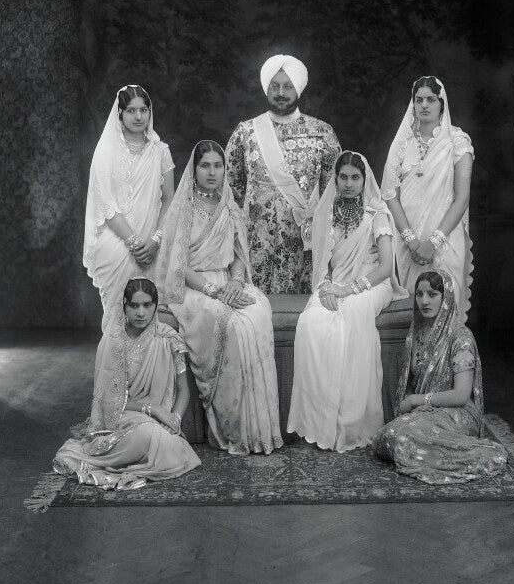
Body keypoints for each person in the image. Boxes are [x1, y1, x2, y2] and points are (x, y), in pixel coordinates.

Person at [156, 140, 283, 456]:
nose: (212, 172)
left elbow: (238, 253)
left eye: (218, 165)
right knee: (231, 323)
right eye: (205, 165)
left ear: (225, 169)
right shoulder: (183, 210)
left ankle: (260, 429)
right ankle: (233, 428)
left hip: (229, 282)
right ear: (194, 170)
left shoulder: (229, 205)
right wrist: (214, 291)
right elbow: (179, 266)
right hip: (193, 289)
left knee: (258, 312)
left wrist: (236, 282)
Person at [286, 151, 408, 453]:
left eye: (355, 177)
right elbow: (324, 265)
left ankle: (349, 422)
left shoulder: (377, 213)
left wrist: (348, 290)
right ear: (336, 179)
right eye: (344, 177)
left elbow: (385, 267)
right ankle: (318, 422)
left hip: (373, 284)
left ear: (364, 180)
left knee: (348, 316)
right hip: (336, 282)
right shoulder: (328, 213)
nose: (349, 183)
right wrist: (327, 287)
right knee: (310, 322)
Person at [53, 278, 201, 490]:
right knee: (150, 436)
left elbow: (183, 390)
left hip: (160, 420)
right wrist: (152, 409)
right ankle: (96, 461)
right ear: (124, 306)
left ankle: (124, 457)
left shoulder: (170, 339)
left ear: (155, 306)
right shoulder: (113, 341)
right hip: (122, 416)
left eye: (147, 305)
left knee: (171, 445)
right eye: (134, 305)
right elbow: (109, 402)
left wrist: (174, 420)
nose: (141, 313)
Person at [372, 270, 507, 484]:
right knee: (383, 438)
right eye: (419, 294)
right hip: (426, 411)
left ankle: (484, 453)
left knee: (403, 438)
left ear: (446, 298)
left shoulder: (460, 337)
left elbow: (461, 395)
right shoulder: (417, 332)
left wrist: (418, 400)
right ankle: (424, 449)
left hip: (457, 412)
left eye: (432, 294)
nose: (424, 301)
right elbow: (410, 381)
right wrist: (415, 403)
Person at [225, 54, 341, 294]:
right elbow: (230, 188)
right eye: (274, 86)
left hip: (305, 243)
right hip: (255, 242)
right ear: (266, 88)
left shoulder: (321, 132)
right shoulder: (245, 132)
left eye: (288, 86)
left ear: (298, 88)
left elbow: (335, 192)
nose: (280, 92)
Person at [381, 76, 474, 320]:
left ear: (442, 104)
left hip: (445, 240)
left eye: (431, 99)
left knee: (446, 311)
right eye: (419, 99)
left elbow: (462, 198)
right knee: (411, 312)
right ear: (412, 104)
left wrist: (433, 243)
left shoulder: (457, 141)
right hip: (406, 242)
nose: (424, 105)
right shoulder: (402, 143)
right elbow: (390, 194)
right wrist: (412, 241)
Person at [83, 85, 175, 331]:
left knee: (149, 321)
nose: (138, 116)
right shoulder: (106, 151)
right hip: (116, 244)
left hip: (152, 246)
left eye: (143, 110)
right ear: (120, 114)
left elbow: (169, 199)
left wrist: (155, 240)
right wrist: (135, 245)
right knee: (117, 321)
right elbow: (107, 206)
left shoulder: (160, 151)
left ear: (149, 112)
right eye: (131, 110)